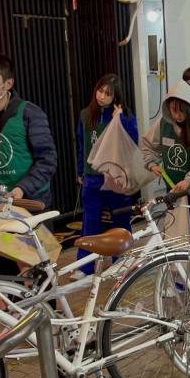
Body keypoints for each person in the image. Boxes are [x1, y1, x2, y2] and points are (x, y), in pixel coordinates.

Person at [0, 52, 57, 275]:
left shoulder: (28, 113)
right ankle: (14, 307)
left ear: (8, 83)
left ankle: (46, 309)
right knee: (2, 266)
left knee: (39, 266)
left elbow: (47, 159)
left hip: (31, 202)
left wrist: (22, 189)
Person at [141, 80, 190, 261]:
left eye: (180, 110)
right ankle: (180, 280)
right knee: (176, 237)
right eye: (172, 110)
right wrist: (152, 163)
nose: (176, 115)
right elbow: (147, 145)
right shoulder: (163, 124)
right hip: (175, 191)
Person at [72, 74, 138, 278]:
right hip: (93, 178)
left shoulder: (124, 115)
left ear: (116, 97)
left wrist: (120, 119)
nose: (102, 97)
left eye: (108, 94)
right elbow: (82, 144)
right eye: (100, 91)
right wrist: (81, 171)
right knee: (90, 222)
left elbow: (133, 142)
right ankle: (85, 266)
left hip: (116, 179)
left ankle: (121, 263)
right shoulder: (86, 115)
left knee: (121, 221)